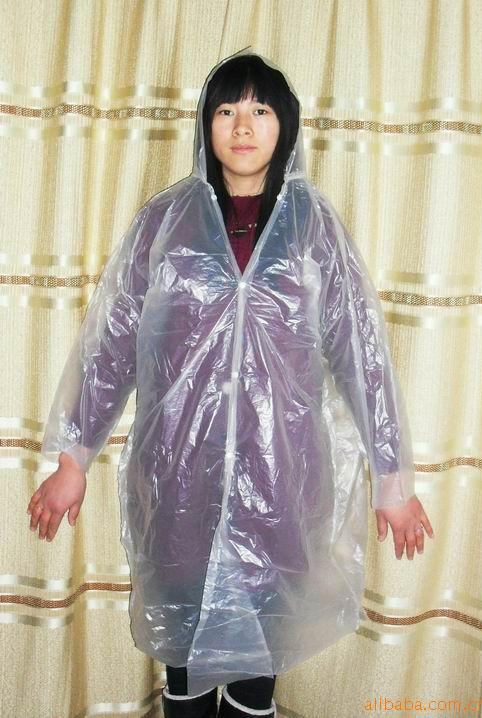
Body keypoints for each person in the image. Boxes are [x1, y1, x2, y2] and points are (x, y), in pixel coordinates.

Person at [27, 51, 434, 718]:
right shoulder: (167, 222)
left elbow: (361, 352)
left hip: (281, 490)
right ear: (206, 124)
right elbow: (113, 343)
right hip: (179, 484)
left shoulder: (311, 228)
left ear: (285, 126)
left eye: (260, 110)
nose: (243, 126)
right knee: (184, 666)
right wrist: (73, 457)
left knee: (254, 678)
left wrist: (392, 479)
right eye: (226, 110)